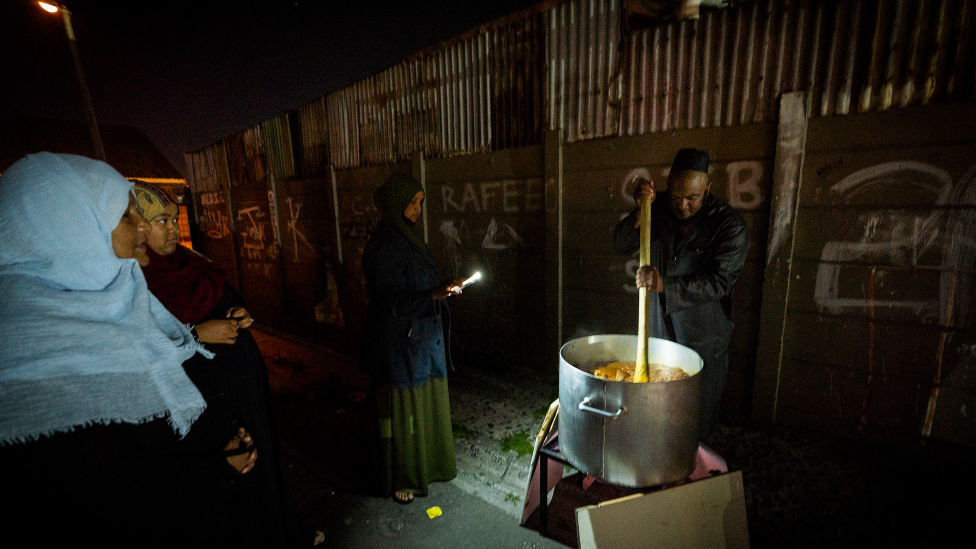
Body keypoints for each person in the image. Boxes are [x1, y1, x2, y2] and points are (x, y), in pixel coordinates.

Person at [0, 152, 255, 547]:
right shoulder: (28, 348)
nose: (144, 228)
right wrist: (214, 471)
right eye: (125, 216)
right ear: (70, 229)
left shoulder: (116, 297)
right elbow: (96, 494)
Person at [132, 180, 324, 547]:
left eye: (174, 219)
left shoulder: (191, 263)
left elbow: (228, 298)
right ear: (139, 227)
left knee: (263, 460)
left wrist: (241, 313)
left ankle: (284, 531)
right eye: (160, 221)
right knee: (235, 476)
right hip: (203, 405)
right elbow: (139, 350)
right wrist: (197, 334)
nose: (173, 228)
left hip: (244, 390)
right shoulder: (136, 282)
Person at [613, 148, 750, 441]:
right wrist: (640, 209)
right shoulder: (656, 208)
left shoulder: (729, 226)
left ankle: (691, 470)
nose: (683, 205)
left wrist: (666, 285)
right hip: (659, 329)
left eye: (692, 198)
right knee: (657, 407)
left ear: (708, 190)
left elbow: (719, 282)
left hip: (703, 335)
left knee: (696, 415)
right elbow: (621, 243)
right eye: (676, 197)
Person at [360, 173, 466, 504]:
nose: (418, 209)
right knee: (402, 413)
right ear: (396, 204)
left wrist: (443, 287)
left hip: (422, 340)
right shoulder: (385, 246)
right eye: (412, 202)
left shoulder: (408, 238)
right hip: (400, 345)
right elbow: (389, 301)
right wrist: (435, 293)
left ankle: (430, 465)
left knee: (427, 405)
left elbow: (421, 284)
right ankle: (402, 476)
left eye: (420, 202)